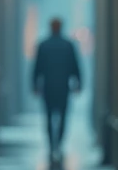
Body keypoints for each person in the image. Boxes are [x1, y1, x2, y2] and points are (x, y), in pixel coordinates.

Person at [32, 18, 82, 160]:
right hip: (63, 88)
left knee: (48, 117)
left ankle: (51, 145)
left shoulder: (43, 45)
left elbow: (37, 68)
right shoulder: (68, 45)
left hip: (48, 87)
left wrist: (35, 85)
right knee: (63, 116)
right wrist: (78, 83)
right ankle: (58, 144)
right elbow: (75, 66)